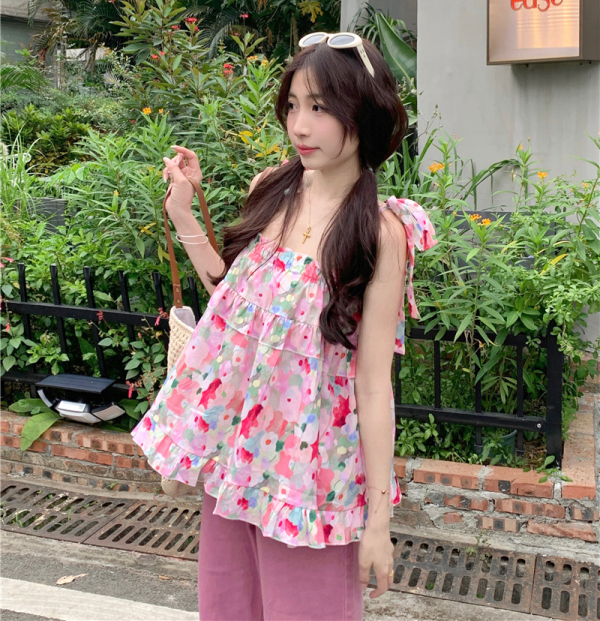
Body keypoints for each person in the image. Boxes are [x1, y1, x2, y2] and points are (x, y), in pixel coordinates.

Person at [131, 33, 437, 621]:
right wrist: (182, 214)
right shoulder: (273, 189)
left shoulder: (379, 233)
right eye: (293, 105)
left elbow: (374, 386)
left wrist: (378, 523)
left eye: (320, 107)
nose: (299, 125)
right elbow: (236, 304)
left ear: (364, 112)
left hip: (310, 476)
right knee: (228, 609)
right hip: (240, 457)